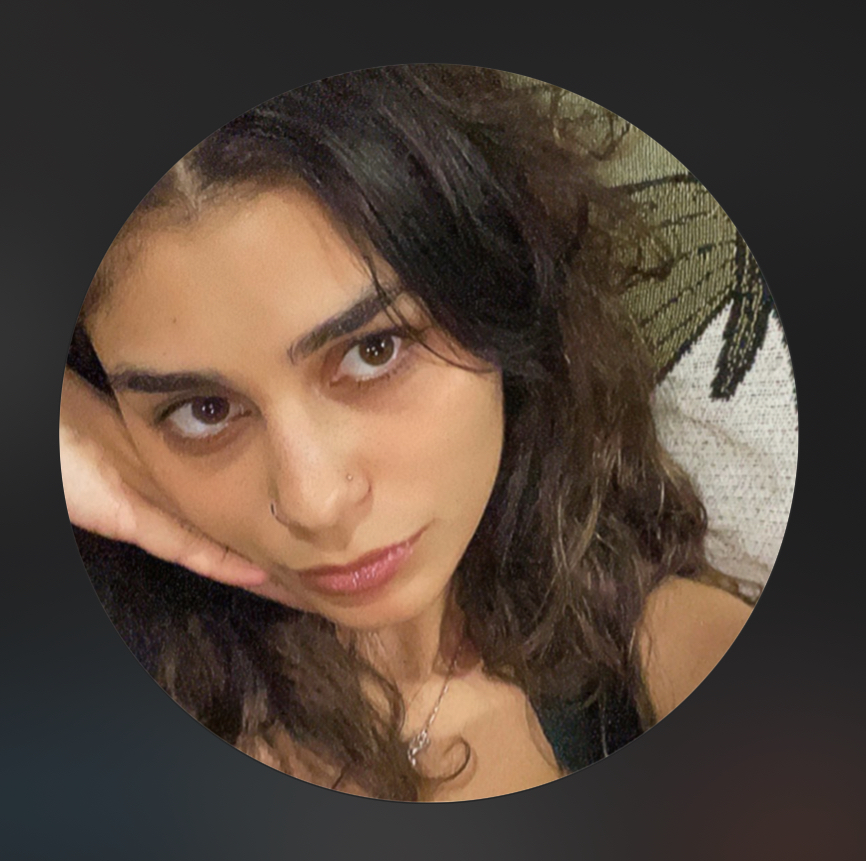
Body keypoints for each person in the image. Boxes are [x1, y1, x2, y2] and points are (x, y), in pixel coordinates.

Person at [60, 64, 753, 802]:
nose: (315, 502)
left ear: (501, 291)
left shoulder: (646, 646)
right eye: (203, 410)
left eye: (374, 350)